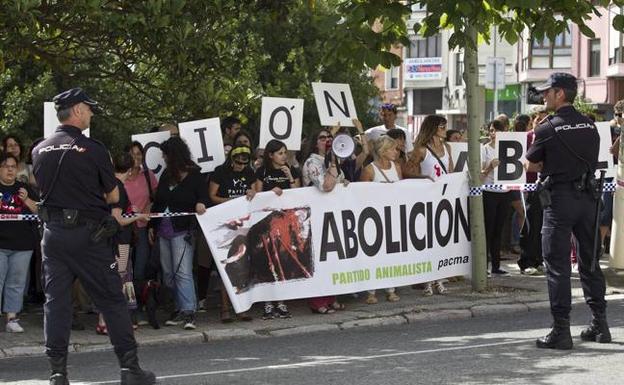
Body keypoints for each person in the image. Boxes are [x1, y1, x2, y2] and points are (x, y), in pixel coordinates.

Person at [32, 88, 154, 384]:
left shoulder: (38, 150)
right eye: (88, 109)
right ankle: (130, 368)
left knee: (56, 303)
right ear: (76, 110)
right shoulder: (94, 149)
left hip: (53, 236)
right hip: (88, 236)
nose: (90, 113)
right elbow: (113, 194)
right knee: (112, 300)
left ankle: (57, 373)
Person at [525, 73, 610, 350]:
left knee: (558, 267)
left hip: (560, 200)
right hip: (588, 199)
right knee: (590, 263)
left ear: (560, 93)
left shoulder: (547, 128)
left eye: (548, 92)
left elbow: (531, 164)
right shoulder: (589, 125)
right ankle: (601, 324)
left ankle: (561, 330)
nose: (544, 97)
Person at [149, 137, 208, 330]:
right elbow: (159, 201)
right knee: (168, 273)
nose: (164, 158)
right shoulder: (167, 174)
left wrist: (201, 203)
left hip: (183, 229)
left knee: (182, 271)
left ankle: (189, 310)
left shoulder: (196, 175)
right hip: (163, 229)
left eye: (166, 155)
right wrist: (152, 225)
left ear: (173, 155)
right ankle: (179, 306)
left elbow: (203, 197)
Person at [96, 153, 151, 335]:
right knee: (121, 278)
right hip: (119, 243)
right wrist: (139, 216)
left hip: (108, 241)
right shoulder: (118, 187)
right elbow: (117, 219)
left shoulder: (105, 185)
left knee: (112, 279)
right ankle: (111, 320)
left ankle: (105, 320)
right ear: (128, 170)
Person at [406, 115, 454, 294]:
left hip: (444, 198)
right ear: (433, 128)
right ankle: (426, 280)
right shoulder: (421, 150)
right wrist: (424, 178)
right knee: (427, 242)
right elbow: (406, 171)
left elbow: (451, 171)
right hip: (427, 199)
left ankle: (439, 279)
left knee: (441, 242)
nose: (444, 129)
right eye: (442, 126)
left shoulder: (447, 147)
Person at [209, 145, 257, 322]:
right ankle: (225, 307)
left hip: (243, 224)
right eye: (237, 162)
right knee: (226, 265)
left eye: (244, 163)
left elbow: (255, 193)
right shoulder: (220, 172)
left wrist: (252, 192)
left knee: (243, 264)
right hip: (224, 225)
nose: (240, 166)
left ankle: (242, 307)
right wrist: (230, 201)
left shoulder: (250, 172)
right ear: (231, 159)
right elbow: (211, 196)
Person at [253, 139, 300, 319]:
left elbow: (298, 191)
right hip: (265, 221)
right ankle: (267, 302)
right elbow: (257, 195)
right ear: (271, 155)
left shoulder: (291, 169)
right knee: (267, 260)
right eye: (279, 153)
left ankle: (281, 301)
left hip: (284, 221)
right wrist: (270, 192)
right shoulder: (262, 171)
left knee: (282, 260)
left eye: (284, 153)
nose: (283, 156)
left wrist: (289, 176)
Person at [301, 129, 346, 314]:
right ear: (315, 143)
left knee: (332, 258)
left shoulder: (331, 161)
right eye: (322, 138)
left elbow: (337, 182)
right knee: (319, 259)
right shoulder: (312, 163)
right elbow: (326, 186)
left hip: (331, 216)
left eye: (330, 138)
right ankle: (318, 301)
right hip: (316, 218)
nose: (327, 140)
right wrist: (334, 168)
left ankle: (331, 298)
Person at [360, 135, 402, 304]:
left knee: (391, 254)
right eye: (392, 149)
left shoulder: (397, 167)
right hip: (374, 218)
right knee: (374, 255)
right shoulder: (369, 170)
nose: (396, 152)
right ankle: (371, 291)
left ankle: (391, 289)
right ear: (383, 151)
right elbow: (361, 195)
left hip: (394, 216)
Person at [0, 153, 39, 333]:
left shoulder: (25, 188)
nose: (10, 170)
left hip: (23, 244)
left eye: (13, 167)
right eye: (6, 166)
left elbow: (39, 211)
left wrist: (26, 199)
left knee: (16, 283)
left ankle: (12, 318)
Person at [124, 141, 158, 315]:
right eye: (133, 153)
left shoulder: (148, 175)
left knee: (140, 268)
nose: (136, 157)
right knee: (124, 268)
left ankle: (138, 303)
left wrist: (146, 211)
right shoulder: (121, 176)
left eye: (139, 154)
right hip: (124, 229)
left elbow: (155, 197)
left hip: (142, 227)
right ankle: (127, 306)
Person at [480, 120, 512, 276]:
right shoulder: (484, 149)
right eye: (491, 130)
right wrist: (489, 167)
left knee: (498, 230)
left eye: (496, 130)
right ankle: (483, 266)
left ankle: (496, 266)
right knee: (488, 229)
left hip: (504, 193)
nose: (493, 134)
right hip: (489, 193)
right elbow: (478, 175)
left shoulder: (510, 148)